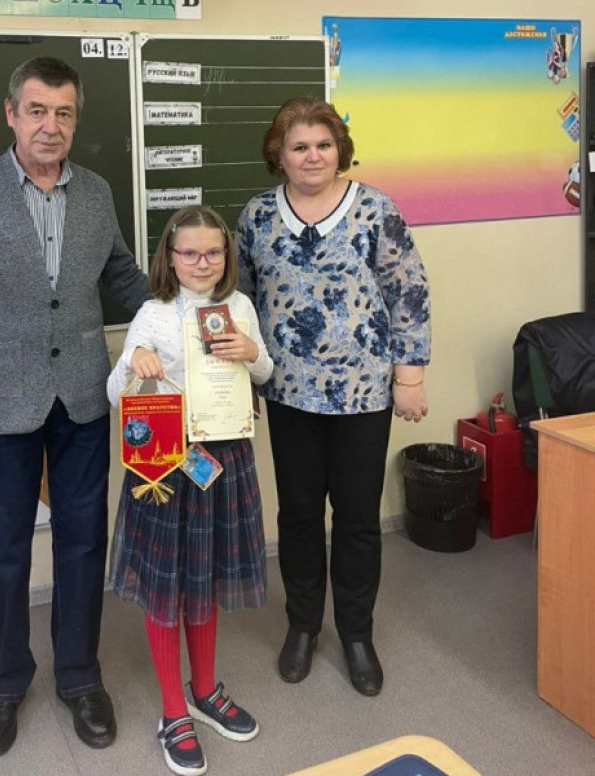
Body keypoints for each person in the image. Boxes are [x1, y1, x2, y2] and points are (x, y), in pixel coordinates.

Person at [0, 56, 149, 758]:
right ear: (11, 114)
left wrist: (193, 314)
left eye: (63, 113)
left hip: (82, 396)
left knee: (84, 540)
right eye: (36, 111)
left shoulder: (97, 192)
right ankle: (2, 682)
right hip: (0, 404)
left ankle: (80, 676)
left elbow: (122, 277)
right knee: (4, 549)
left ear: (75, 120)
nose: (50, 126)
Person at [235, 97, 431, 697]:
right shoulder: (257, 216)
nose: (312, 156)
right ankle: (302, 626)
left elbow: (408, 291)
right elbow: (240, 302)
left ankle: (355, 633)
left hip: (364, 394)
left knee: (357, 518)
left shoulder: (375, 209)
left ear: (339, 150)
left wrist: (409, 377)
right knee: (297, 516)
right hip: (288, 392)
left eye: (323, 144)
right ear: (279, 154)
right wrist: (239, 383)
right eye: (299, 146)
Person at [107, 206, 274, 776]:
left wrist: (252, 354)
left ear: (226, 256)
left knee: (203, 577)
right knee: (166, 585)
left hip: (223, 458)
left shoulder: (240, 307)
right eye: (190, 253)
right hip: (164, 464)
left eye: (213, 253)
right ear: (170, 258)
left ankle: (204, 690)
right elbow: (115, 392)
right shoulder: (152, 313)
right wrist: (135, 361)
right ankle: (173, 710)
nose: (202, 263)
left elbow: (265, 373)